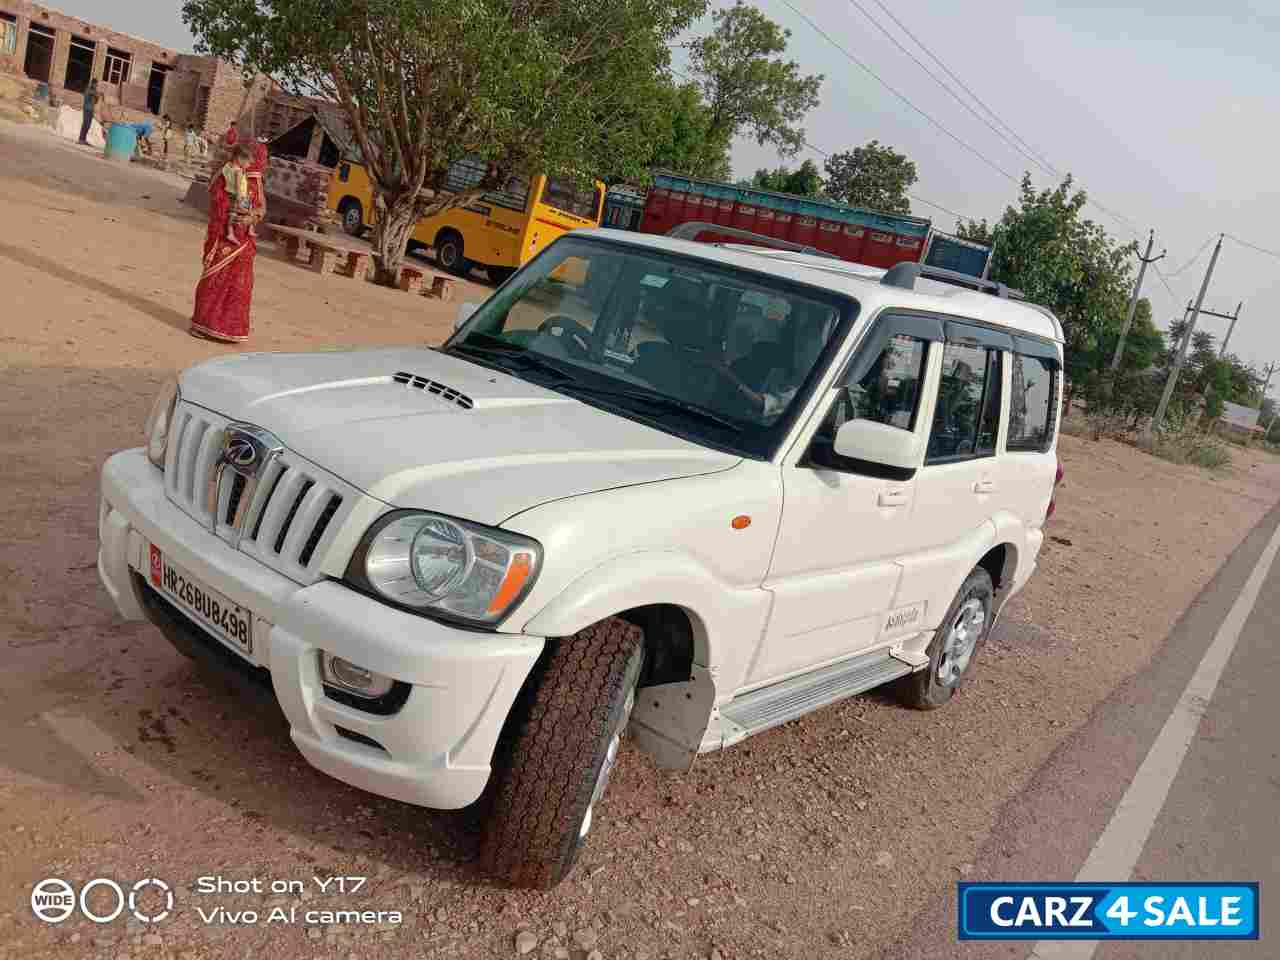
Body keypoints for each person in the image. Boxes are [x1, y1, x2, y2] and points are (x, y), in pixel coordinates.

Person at [190, 137, 267, 343]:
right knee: (214, 276)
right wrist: (233, 212)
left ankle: (230, 329)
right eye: (250, 160)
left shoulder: (255, 180)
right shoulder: (225, 174)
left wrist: (251, 216)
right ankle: (202, 324)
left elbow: (261, 208)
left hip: (244, 239)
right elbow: (217, 201)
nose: (253, 165)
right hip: (224, 234)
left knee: (240, 282)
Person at [220, 143, 253, 243]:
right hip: (239, 196)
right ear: (239, 158)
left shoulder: (226, 166)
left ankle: (230, 233)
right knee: (249, 212)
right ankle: (249, 229)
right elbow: (238, 186)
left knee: (232, 214)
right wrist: (239, 198)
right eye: (247, 163)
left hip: (229, 194)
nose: (248, 166)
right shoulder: (238, 172)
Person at [77, 80, 99, 145]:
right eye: (95, 84)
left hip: (91, 110)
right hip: (86, 109)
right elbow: (87, 96)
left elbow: (95, 101)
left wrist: (96, 97)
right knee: (85, 124)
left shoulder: (94, 91)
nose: (96, 86)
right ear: (92, 84)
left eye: (96, 85)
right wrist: (94, 94)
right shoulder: (88, 90)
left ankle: (84, 139)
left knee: (88, 125)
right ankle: (81, 139)